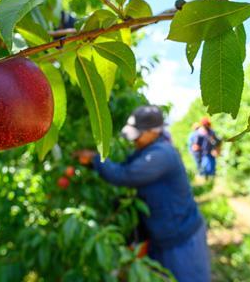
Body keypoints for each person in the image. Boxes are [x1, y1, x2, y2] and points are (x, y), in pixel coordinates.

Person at [76, 105, 211, 282]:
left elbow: (126, 175)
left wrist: (95, 159)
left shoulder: (162, 154)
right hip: (162, 237)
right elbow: (124, 165)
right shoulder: (147, 150)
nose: (134, 140)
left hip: (181, 240)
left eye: (138, 134)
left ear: (154, 132)